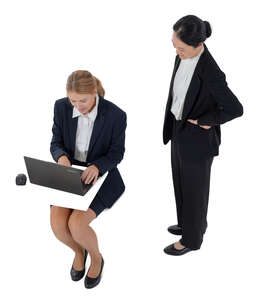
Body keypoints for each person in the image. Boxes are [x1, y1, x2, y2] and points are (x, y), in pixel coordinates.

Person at [163, 15, 243, 256]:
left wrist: (207, 121)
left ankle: (192, 239)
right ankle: (189, 224)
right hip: (179, 129)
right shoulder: (182, 56)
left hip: (198, 138)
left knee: (195, 190)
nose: (177, 51)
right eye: (174, 45)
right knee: (180, 183)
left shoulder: (211, 71)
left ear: (198, 45)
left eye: (181, 47)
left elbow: (235, 108)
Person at [49, 70, 127, 288]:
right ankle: (78, 250)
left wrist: (98, 166)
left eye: (82, 100)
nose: (77, 106)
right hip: (69, 173)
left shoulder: (116, 115)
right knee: (57, 225)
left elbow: (116, 153)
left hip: (101, 176)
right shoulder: (61, 107)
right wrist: (61, 157)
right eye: (73, 100)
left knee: (76, 224)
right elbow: (55, 142)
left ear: (94, 93)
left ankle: (96, 257)